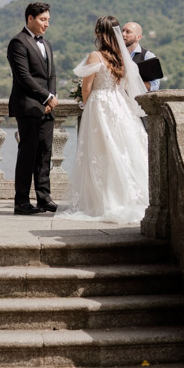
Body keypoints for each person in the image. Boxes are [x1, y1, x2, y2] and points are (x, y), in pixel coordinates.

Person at [63, 15, 148, 225]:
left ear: (98, 33)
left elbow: (86, 88)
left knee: (100, 152)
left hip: (100, 105)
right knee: (121, 150)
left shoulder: (95, 56)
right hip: (119, 105)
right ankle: (124, 198)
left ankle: (103, 201)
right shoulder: (122, 57)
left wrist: (87, 106)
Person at [7, 1, 58, 215]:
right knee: (27, 154)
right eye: (42, 19)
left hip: (47, 107)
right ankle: (21, 202)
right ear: (30, 18)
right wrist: (46, 97)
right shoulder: (18, 42)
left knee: (45, 153)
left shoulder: (47, 44)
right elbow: (24, 77)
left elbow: (51, 75)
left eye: (48, 20)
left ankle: (44, 199)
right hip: (28, 107)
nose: (46, 24)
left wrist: (51, 98)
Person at [122, 21, 161, 91]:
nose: (123, 34)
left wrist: (129, 83)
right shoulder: (116, 55)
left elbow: (154, 86)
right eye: (123, 31)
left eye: (128, 32)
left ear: (138, 37)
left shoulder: (148, 56)